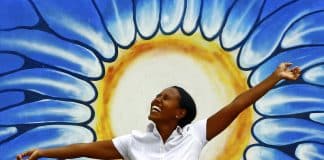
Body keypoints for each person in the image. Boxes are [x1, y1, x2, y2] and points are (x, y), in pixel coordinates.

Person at [17, 62, 301, 160]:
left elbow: (237, 105)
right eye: (157, 95)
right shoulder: (133, 143)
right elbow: (83, 149)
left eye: (166, 98)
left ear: (180, 112)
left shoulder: (195, 135)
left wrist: (275, 77)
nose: (157, 99)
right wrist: (44, 152)